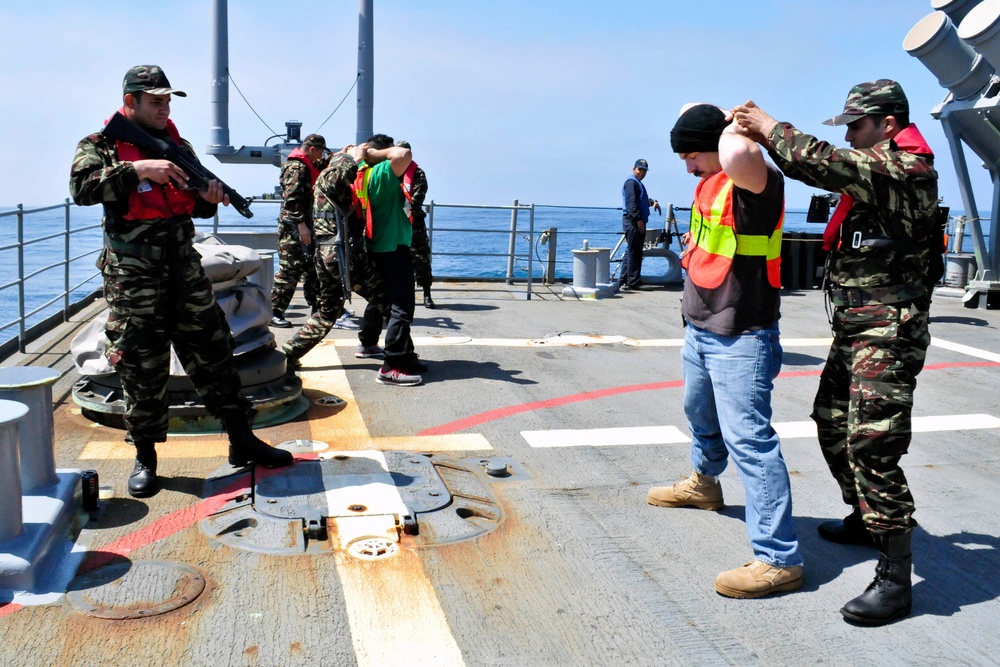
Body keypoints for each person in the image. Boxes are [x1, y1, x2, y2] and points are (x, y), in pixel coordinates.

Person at [733, 80, 939, 625]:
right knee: (830, 422)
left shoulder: (908, 171)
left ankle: (896, 578)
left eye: (856, 125)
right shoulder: (879, 171)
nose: (849, 135)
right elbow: (822, 167)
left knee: (873, 445)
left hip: (887, 332)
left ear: (888, 124)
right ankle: (864, 515)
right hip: (856, 324)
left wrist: (770, 128)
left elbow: (828, 164)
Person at [69, 65, 293, 498]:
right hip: (133, 279)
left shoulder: (178, 146)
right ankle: (146, 456)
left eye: (168, 101)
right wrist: (139, 171)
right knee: (141, 366)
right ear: (130, 102)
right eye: (156, 101)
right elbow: (81, 188)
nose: (164, 108)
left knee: (215, 355)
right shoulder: (100, 145)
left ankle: (241, 439)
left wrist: (208, 199)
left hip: (183, 273)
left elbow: (192, 208)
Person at [647, 103, 803, 599]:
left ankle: (780, 558)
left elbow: (735, 151)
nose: (687, 167)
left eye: (692, 155)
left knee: (751, 442)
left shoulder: (756, 181)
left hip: (741, 334)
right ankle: (704, 483)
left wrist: (734, 126)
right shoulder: (710, 182)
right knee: (700, 414)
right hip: (701, 326)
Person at [352, 135, 425, 386]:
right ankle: (392, 365)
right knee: (402, 309)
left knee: (381, 299)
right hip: (393, 246)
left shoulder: (362, 172)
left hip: (374, 245)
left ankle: (401, 355)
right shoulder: (382, 170)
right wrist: (377, 154)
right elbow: (403, 154)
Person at [281, 146, 362, 369]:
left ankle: (288, 353)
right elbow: (340, 173)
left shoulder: (323, 180)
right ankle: (396, 356)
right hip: (338, 255)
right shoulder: (328, 179)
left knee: (328, 311)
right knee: (390, 302)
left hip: (329, 254)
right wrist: (350, 157)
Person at [269, 134, 326, 328]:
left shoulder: (306, 165)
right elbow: (292, 200)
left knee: (312, 268)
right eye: (318, 153)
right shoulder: (296, 167)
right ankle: (274, 311)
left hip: (305, 227)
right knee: (290, 270)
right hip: (294, 228)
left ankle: (317, 308)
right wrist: (302, 226)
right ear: (311, 149)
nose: (319, 157)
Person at [396, 140, 435, 308]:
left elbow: (417, 197)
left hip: (414, 223)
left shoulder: (418, 173)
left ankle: (427, 294)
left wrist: (398, 208)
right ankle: (400, 295)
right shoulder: (390, 172)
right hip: (395, 223)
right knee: (397, 259)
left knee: (422, 258)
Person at [619, 159, 661, 290]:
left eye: (644, 171)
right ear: (634, 169)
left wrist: (652, 202)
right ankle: (632, 282)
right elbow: (631, 204)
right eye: (640, 169)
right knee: (635, 252)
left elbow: (640, 199)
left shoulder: (637, 183)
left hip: (633, 220)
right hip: (633, 221)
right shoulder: (631, 183)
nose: (642, 173)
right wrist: (639, 220)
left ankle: (624, 280)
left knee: (632, 250)